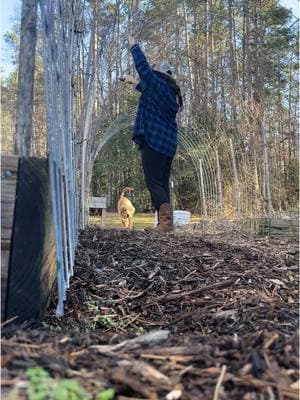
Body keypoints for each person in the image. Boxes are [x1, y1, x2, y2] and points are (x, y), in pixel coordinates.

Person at [123, 35, 183, 232]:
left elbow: (144, 69)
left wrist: (134, 46)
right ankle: (166, 223)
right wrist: (133, 82)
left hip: (154, 141)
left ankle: (165, 222)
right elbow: (147, 91)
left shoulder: (158, 84)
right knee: (162, 182)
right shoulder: (169, 93)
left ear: (160, 74)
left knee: (152, 180)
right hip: (168, 145)